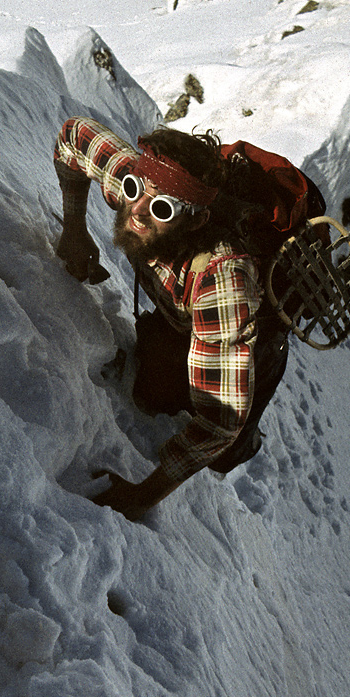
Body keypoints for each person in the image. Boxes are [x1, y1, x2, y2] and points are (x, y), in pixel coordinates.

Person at [54, 116, 291, 521]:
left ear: (196, 219)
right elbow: (75, 137)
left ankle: (251, 442)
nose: (140, 212)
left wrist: (142, 496)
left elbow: (220, 422)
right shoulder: (141, 186)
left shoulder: (223, 283)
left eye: (162, 208)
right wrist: (74, 229)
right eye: (133, 190)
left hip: (251, 338)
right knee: (152, 397)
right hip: (181, 315)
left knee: (223, 451)